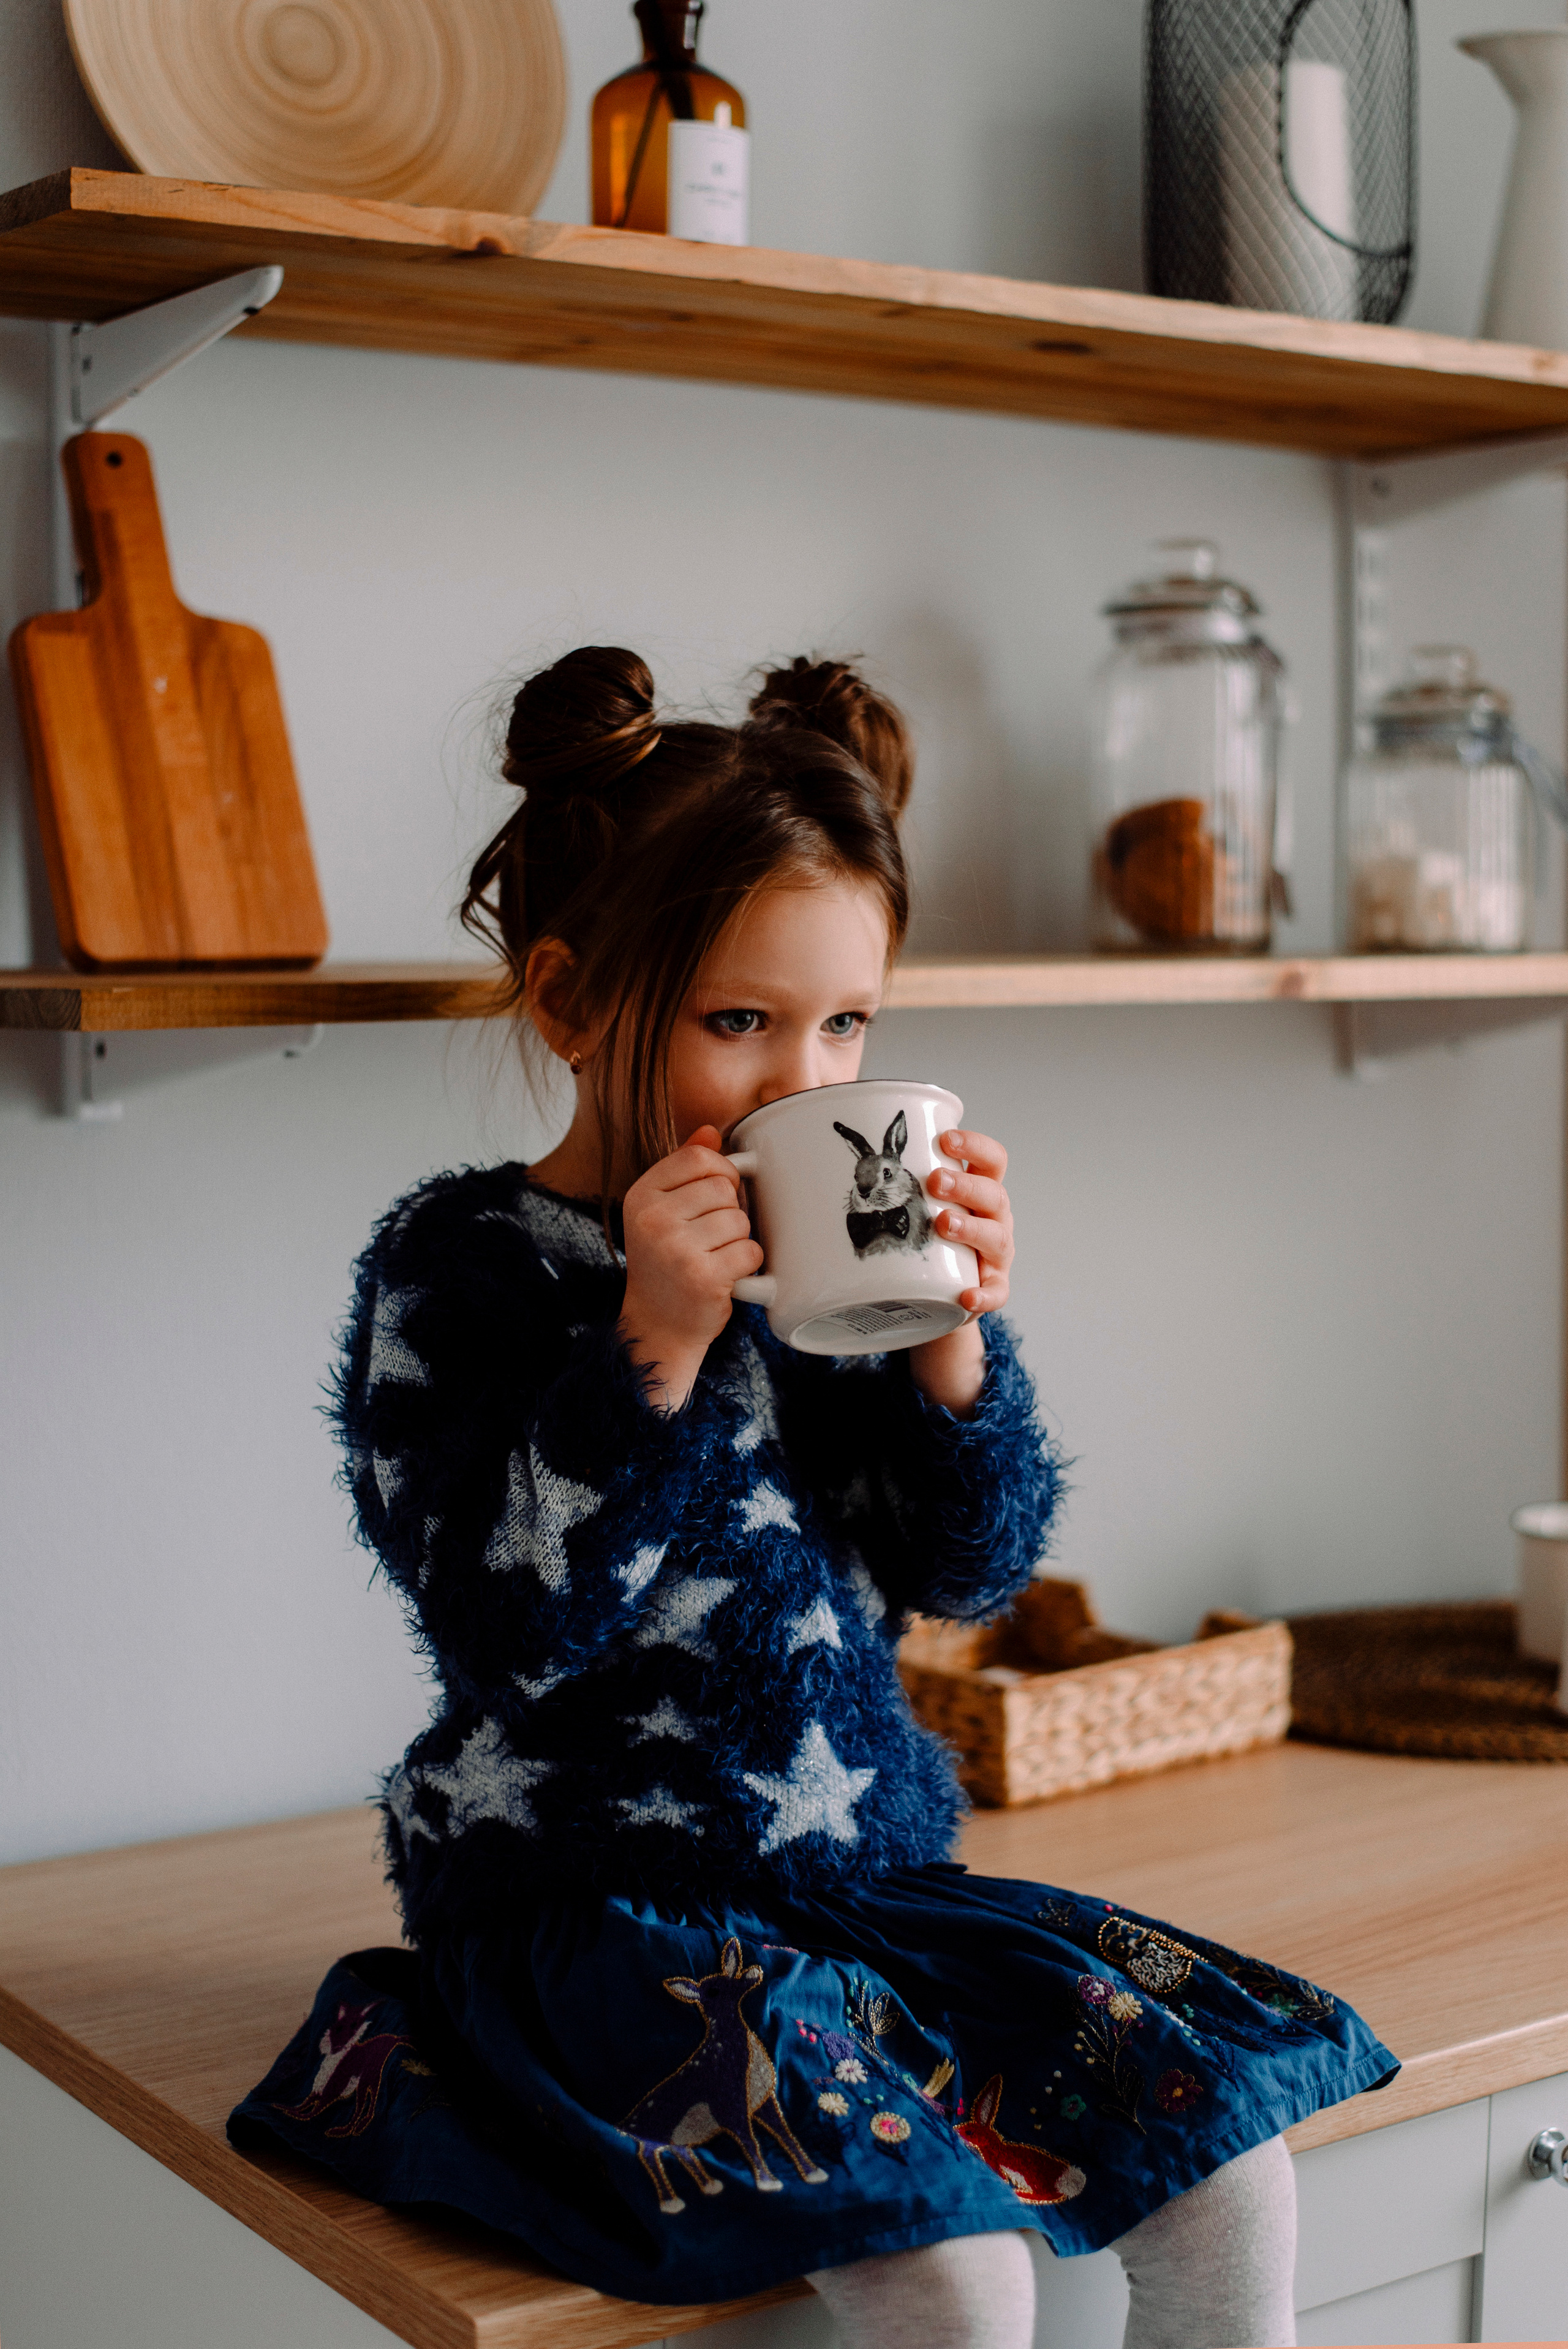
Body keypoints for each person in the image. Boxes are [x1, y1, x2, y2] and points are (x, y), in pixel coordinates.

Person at [230, 647, 1395, 2349]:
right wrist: (650, 1343)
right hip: (604, 1919)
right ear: (566, 999)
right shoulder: (461, 1268)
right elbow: (508, 1628)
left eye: (845, 1021)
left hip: (853, 1883)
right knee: (959, 2271)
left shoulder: (828, 1259)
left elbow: (968, 1569)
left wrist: (953, 1357)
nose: (805, 1081)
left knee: (1236, 2165)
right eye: (738, 1022)